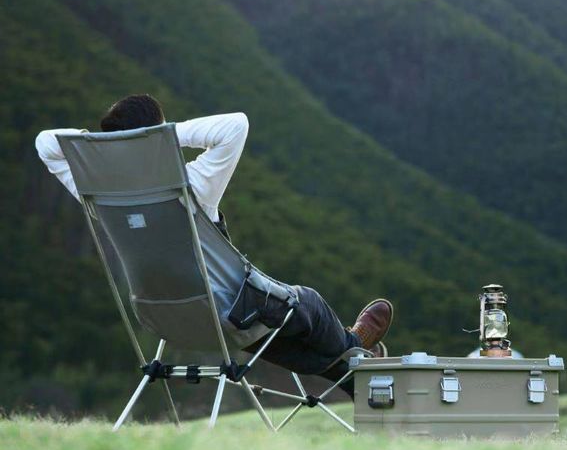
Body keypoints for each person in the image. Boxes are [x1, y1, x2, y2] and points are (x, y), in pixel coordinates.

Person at [35, 94, 393, 398]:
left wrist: (104, 151)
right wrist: (160, 139)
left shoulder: (98, 194)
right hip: (229, 313)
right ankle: (353, 346)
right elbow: (236, 124)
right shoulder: (189, 183)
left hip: (160, 318)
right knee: (308, 305)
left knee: (267, 336)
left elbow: (46, 143)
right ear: (157, 137)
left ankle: (354, 375)